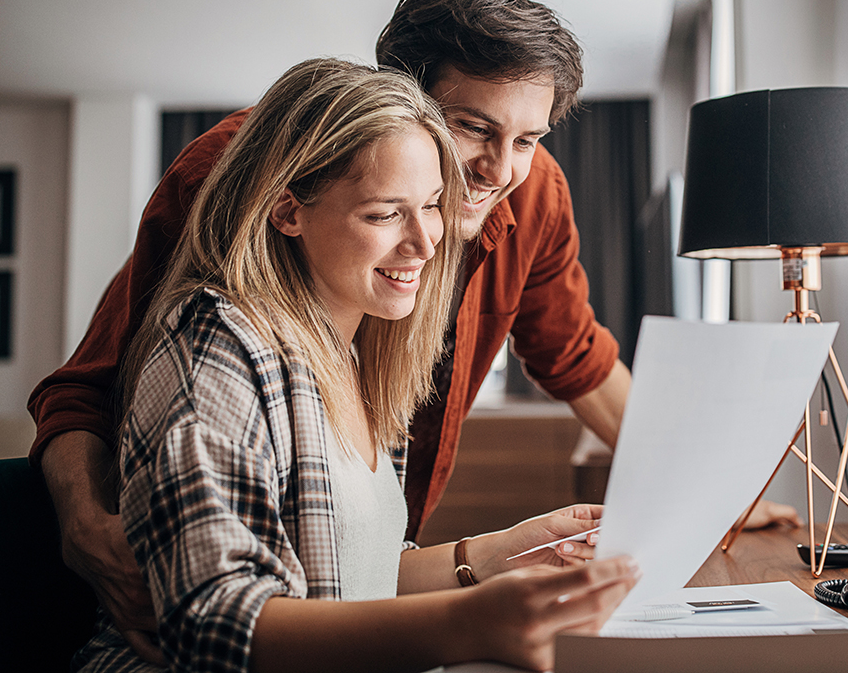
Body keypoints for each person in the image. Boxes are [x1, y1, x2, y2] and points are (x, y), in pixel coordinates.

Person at [29, 0, 796, 663]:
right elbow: (111, 378)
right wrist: (84, 519)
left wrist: (700, 497)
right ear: (404, 96)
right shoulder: (244, 207)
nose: (499, 172)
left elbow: (576, 359)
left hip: (358, 580)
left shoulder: (501, 221)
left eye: (528, 138)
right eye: (472, 129)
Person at [73, 58, 639, 673]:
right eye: (383, 214)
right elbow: (214, 624)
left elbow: (355, 578)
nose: (427, 243)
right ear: (287, 211)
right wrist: (469, 624)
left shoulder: (362, 359)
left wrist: (502, 552)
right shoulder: (219, 347)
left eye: (431, 206)